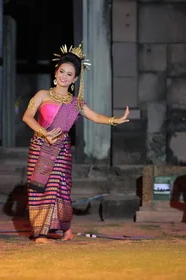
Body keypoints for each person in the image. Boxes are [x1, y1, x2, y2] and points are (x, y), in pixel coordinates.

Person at [22, 43, 130, 243]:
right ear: (56, 72)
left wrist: (114, 120)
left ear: (75, 79)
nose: (64, 76)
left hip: (61, 150)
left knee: (60, 188)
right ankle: (40, 233)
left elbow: (95, 116)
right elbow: (27, 117)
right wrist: (44, 133)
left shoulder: (75, 103)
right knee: (41, 188)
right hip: (40, 147)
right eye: (62, 71)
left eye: (69, 74)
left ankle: (66, 230)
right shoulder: (41, 95)